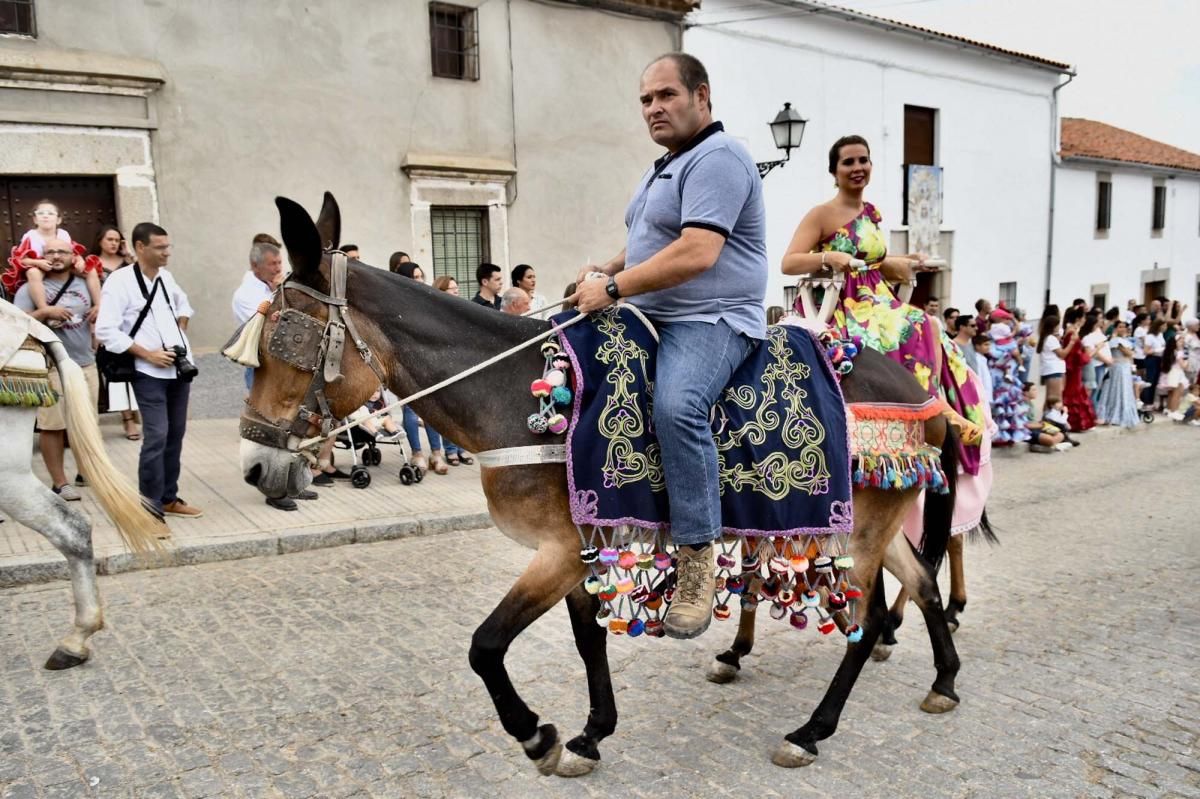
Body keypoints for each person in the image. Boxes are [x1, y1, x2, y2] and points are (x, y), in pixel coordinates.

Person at [572, 52, 766, 639]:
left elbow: (697, 252)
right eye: (645, 100)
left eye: (666, 96)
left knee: (677, 406)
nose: (653, 108)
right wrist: (602, 268)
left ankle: (697, 563)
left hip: (711, 319)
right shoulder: (666, 166)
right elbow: (648, 244)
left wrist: (611, 286)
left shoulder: (719, 158)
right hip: (650, 313)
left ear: (701, 96)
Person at [780, 132, 986, 458]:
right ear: (835, 172)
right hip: (842, 305)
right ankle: (938, 408)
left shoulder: (872, 213)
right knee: (920, 323)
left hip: (876, 299)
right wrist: (827, 258)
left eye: (863, 160)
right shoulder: (821, 214)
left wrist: (900, 262)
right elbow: (788, 262)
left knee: (930, 325)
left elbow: (870, 263)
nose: (857, 167)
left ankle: (936, 403)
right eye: (848, 162)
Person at [94, 222, 203, 518]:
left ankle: (169, 497)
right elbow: (105, 330)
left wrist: (179, 331)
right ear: (141, 247)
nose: (167, 252)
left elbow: (185, 306)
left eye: (168, 246)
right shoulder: (119, 282)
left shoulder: (166, 277)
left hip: (179, 371)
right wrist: (149, 354)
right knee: (156, 436)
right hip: (148, 372)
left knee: (176, 434)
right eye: (160, 247)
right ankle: (149, 508)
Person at [13, 239, 99, 499]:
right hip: (50, 366)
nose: (56, 255)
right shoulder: (30, 288)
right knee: (53, 426)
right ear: (43, 256)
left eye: (62, 251)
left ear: (73, 256)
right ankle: (60, 483)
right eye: (50, 251)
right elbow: (16, 323)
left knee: (88, 421)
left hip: (85, 363)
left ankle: (87, 472)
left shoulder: (86, 284)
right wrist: (45, 312)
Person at [393, 262, 451, 474]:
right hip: (407, 359)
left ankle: (437, 453)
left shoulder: (426, 301)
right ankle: (417, 453)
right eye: (415, 276)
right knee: (410, 407)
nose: (420, 280)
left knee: (431, 406)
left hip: (428, 358)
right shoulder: (398, 303)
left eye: (421, 276)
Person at [3, 199, 102, 319]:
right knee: (32, 273)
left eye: (50, 213)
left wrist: (80, 260)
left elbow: (73, 251)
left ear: (58, 219)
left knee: (90, 270)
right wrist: (37, 262)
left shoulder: (63, 234)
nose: (46, 216)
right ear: (35, 219)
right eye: (41, 213)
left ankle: (98, 304)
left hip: (63, 265)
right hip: (40, 266)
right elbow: (21, 259)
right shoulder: (30, 236)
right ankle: (43, 307)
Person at [89, 224, 142, 440]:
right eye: (109, 239)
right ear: (100, 240)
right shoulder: (93, 265)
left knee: (138, 370)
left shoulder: (129, 264)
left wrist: (130, 257)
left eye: (116, 239)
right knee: (116, 372)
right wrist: (95, 332)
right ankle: (127, 420)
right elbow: (96, 299)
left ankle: (141, 414)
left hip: (132, 324)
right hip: (109, 324)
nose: (112, 243)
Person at [232, 240, 284, 391]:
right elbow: (266, 326)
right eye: (272, 264)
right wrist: (278, 294)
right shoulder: (245, 294)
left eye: (280, 262)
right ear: (255, 266)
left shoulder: (273, 285)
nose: (278, 268)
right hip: (262, 365)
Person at [984, 319, 1030, 446]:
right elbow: (1019, 359)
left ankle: (1000, 436)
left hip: (998, 379)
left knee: (1000, 407)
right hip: (1008, 380)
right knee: (1009, 406)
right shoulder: (1012, 344)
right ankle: (1009, 435)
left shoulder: (992, 346)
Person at [1094, 320, 1138, 428]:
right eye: (1120, 327)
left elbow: (1131, 354)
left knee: (1126, 389)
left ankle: (1123, 414)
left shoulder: (1125, 340)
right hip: (1118, 367)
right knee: (1117, 389)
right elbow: (1128, 353)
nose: (1122, 329)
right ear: (1115, 328)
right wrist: (1130, 352)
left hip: (1125, 367)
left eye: (1124, 327)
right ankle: (1112, 414)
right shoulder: (1115, 341)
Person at [1062, 308, 1097, 432]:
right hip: (1074, 367)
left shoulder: (1072, 331)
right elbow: (1073, 353)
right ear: (1078, 319)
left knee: (1076, 390)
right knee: (1073, 391)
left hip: (1075, 366)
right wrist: (1085, 357)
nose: (1084, 320)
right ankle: (1073, 422)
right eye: (1083, 318)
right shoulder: (1072, 332)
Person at [1022, 383, 1067, 452]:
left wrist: (1040, 424)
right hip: (1027, 431)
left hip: (1036, 427)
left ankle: (1045, 445)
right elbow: (1023, 425)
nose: (1036, 392)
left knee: (1060, 434)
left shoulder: (1030, 404)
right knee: (1050, 440)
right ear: (1025, 393)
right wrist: (1039, 425)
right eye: (1033, 390)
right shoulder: (1022, 405)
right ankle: (1048, 445)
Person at [1036, 313, 1070, 405]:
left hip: (1054, 370)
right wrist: (1071, 343)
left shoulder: (1050, 338)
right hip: (1053, 370)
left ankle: (1047, 417)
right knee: (1055, 398)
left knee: (1051, 398)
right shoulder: (1051, 338)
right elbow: (1062, 354)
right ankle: (1050, 418)